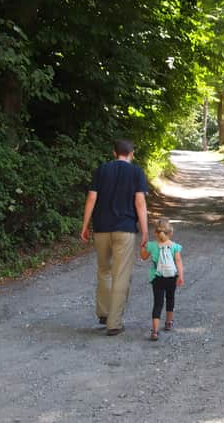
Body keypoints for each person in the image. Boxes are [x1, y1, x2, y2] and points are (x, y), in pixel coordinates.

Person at [80, 139, 149, 336]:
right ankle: (114, 323)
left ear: (114, 152)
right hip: (125, 229)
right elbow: (140, 203)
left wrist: (85, 225)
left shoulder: (102, 169)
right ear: (131, 153)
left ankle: (103, 312)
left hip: (101, 228)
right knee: (121, 275)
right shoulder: (136, 172)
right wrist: (144, 231)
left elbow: (92, 198)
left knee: (104, 270)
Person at [139, 218, 184, 341]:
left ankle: (154, 331)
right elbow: (178, 261)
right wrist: (180, 276)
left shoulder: (152, 246)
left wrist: (143, 247)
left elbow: (143, 257)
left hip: (157, 278)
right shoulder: (175, 246)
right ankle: (169, 322)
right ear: (170, 233)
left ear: (155, 233)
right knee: (170, 298)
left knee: (158, 303)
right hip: (171, 277)